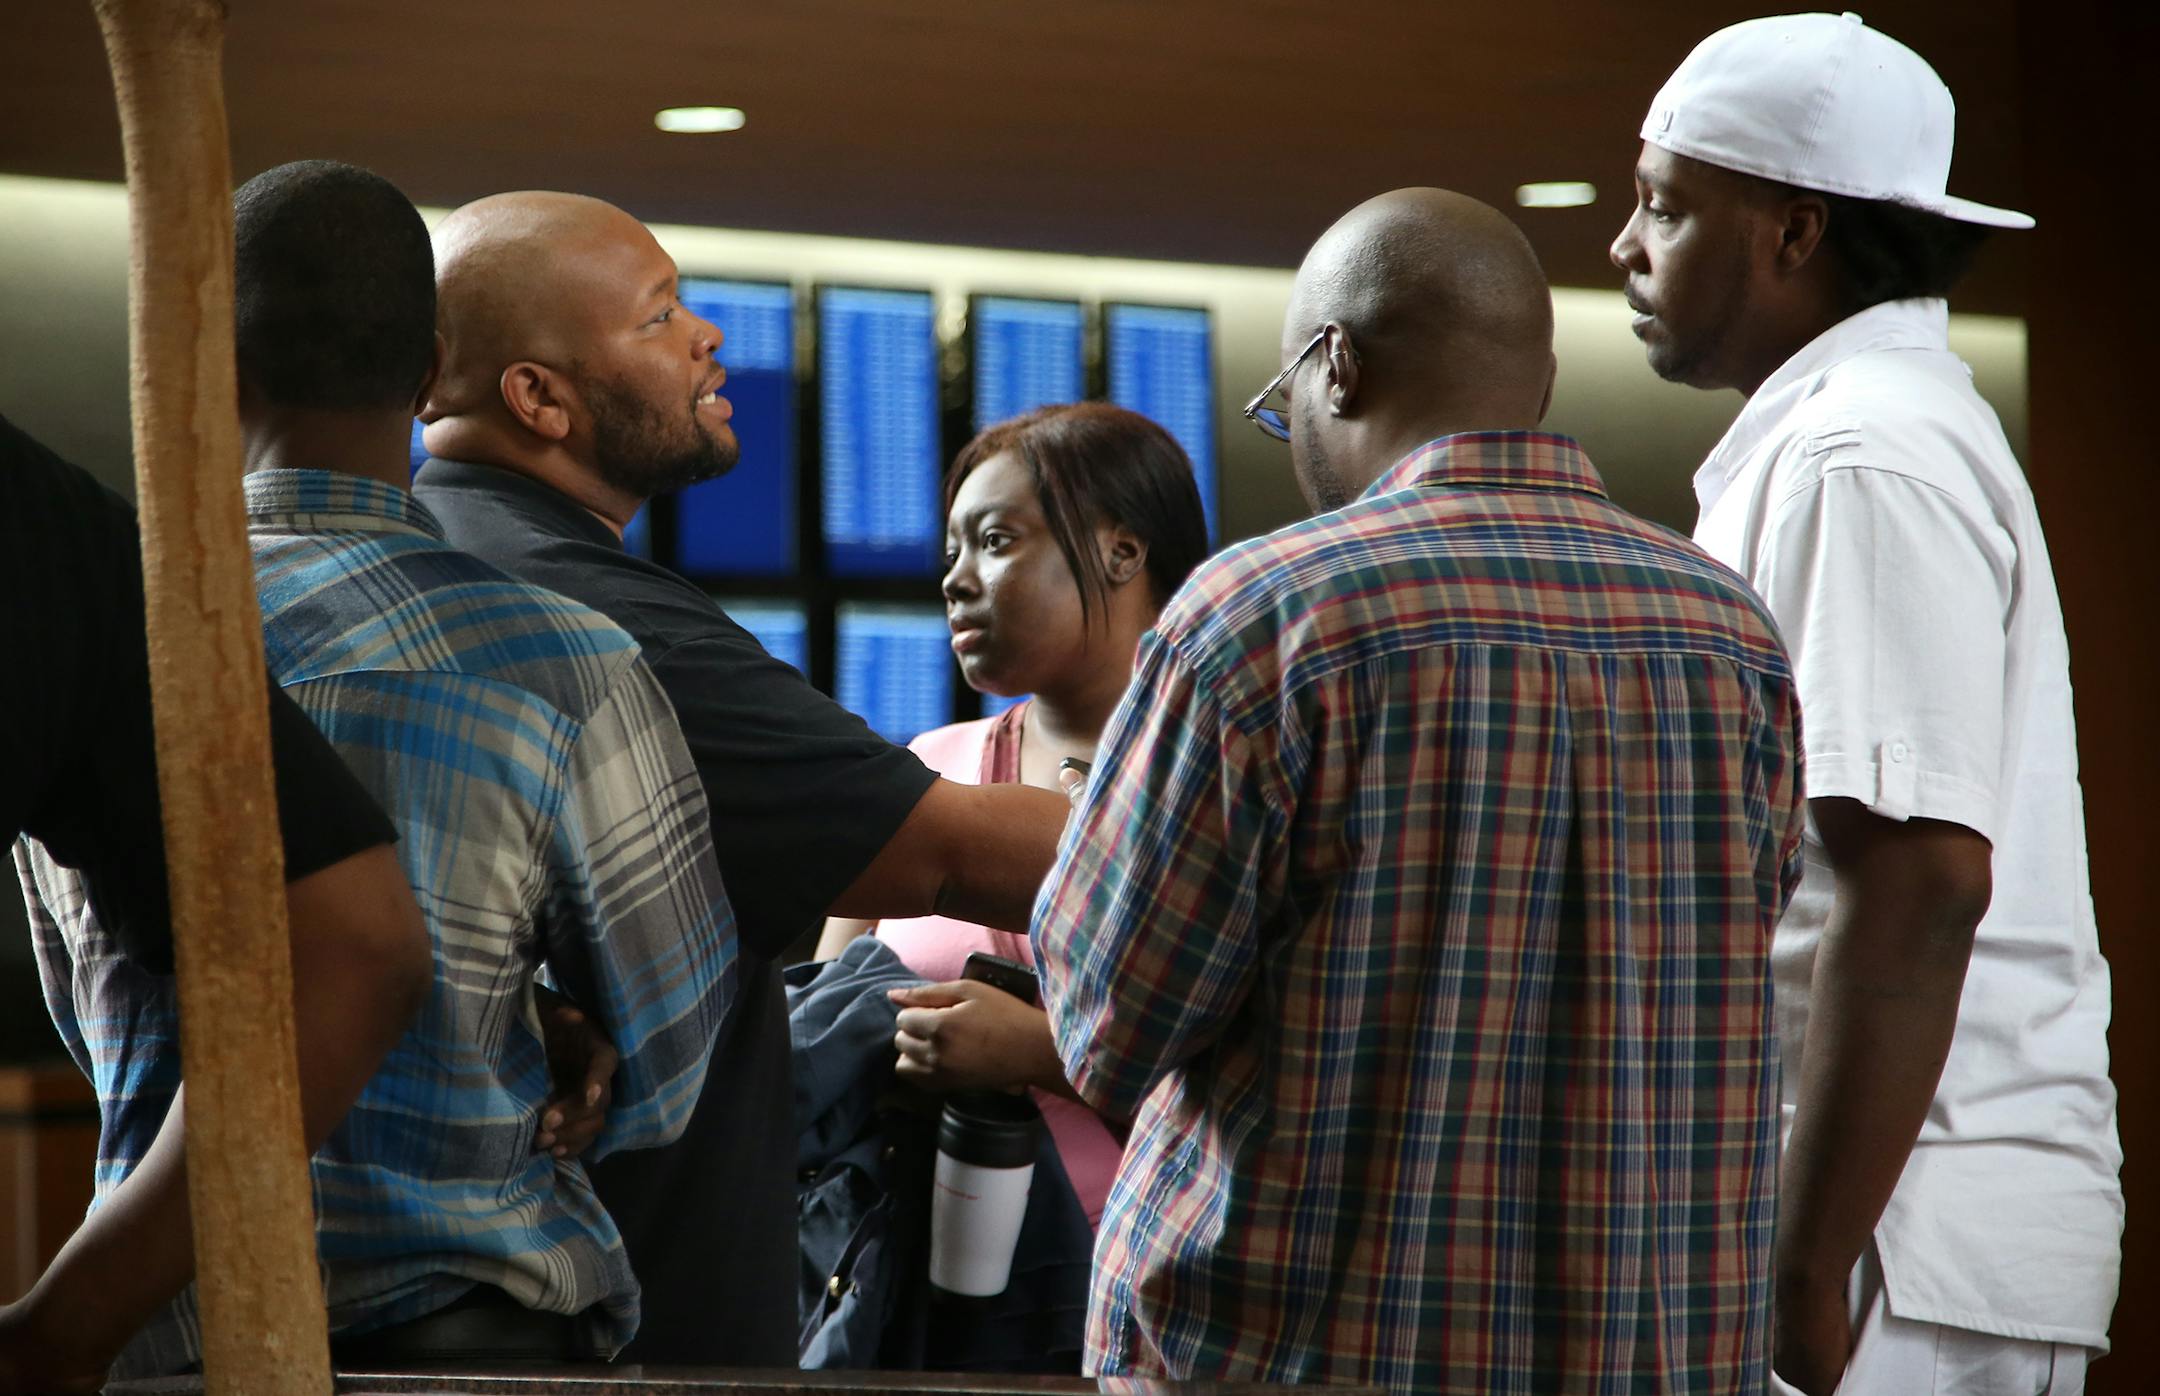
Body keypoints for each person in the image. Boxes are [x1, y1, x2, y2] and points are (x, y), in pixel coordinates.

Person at [1032, 188, 1807, 1394]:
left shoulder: (1264, 615)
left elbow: (1105, 1023)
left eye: (1282, 396)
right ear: (1538, 384)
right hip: (1651, 1354)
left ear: (1334, 364)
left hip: (1293, 1353)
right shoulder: (1732, 634)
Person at [23, 160, 744, 1373]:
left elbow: (94, 1021)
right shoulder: (566, 661)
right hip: (472, 1349)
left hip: (152, 1344)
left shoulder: (98, 643)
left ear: (208, 366)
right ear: (427, 378)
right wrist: (528, 1024)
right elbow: (673, 1062)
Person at [411, 191, 1070, 1365]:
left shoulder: (423, 556)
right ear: (539, 397)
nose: (708, 335)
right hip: (627, 1327)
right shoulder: (594, 617)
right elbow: (959, 851)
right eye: (659, 316)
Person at [1609, 15, 2121, 1394]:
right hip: (1878, 1226)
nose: (1623, 243)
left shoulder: (1860, 450)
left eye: (1663, 203)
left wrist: (1796, 1272)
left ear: (1792, 231)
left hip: (1889, 1249)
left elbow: (1918, 886)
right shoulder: (1854, 430)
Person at [0, 411, 433, 1392]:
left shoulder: (133, 574)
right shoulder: (55, 536)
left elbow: (77, 1004)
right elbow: (359, 946)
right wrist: (56, 1338)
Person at [817, 401, 1211, 1231]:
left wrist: (1037, 1053)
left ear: (1122, 550)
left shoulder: (1223, 776)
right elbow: (818, 1031)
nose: (955, 579)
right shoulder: (922, 772)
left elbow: (1283, 1069)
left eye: (995, 542)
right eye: (953, 549)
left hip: (1149, 1283)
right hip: (911, 1281)